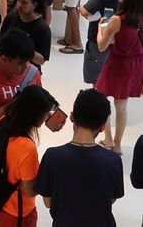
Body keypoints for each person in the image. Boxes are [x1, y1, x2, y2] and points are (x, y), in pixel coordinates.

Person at [34, 88, 124, 227]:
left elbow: (48, 202)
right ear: (102, 126)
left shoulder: (52, 157)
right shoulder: (113, 160)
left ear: (72, 117)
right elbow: (111, 198)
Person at [0, 85, 58, 227]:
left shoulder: (2, 124)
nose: (46, 117)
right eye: (45, 113)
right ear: (35, 115)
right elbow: (30, 191)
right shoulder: (26, 148)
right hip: (18, 213)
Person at [95, 0, 143, 155]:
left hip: (118, 62)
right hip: (136, 63)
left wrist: (101, 28)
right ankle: (117, 144)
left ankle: (107, 139)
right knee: (122, 105)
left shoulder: (116, 20)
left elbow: (101, 46)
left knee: (101, 98)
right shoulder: (139, 17)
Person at [80, 0, 125, 86]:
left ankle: (95, 104)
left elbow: (85, 11)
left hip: (99, 39)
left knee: (97, 80)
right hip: (116, 40)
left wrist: (80, 6)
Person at [0, 0, 51, 67]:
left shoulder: (42, 28)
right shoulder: (10, 18)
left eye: (24, 2)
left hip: (28, 72)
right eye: (18, 0)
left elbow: (41, 60)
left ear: (34, 5)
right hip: (7, 68)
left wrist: (24, 48)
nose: (19, 5)